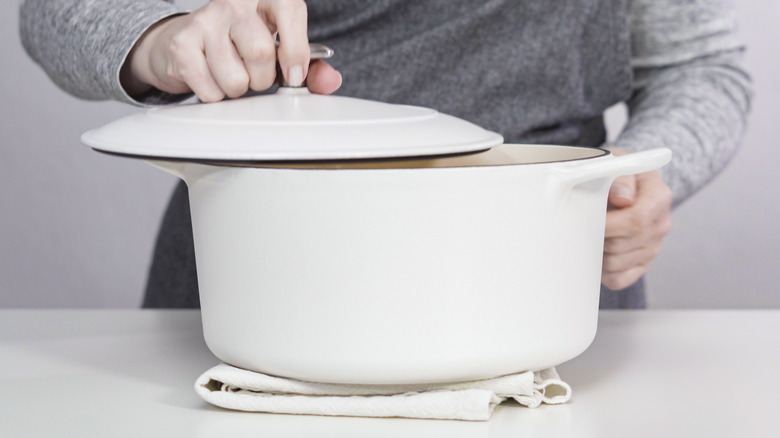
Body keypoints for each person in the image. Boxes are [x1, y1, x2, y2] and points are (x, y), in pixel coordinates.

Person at [19, 0, 751, 309]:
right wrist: (164, 39)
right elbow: (55, 13)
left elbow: (704, 66)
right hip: (257, 272)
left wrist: (643, 173)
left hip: (544, 277)